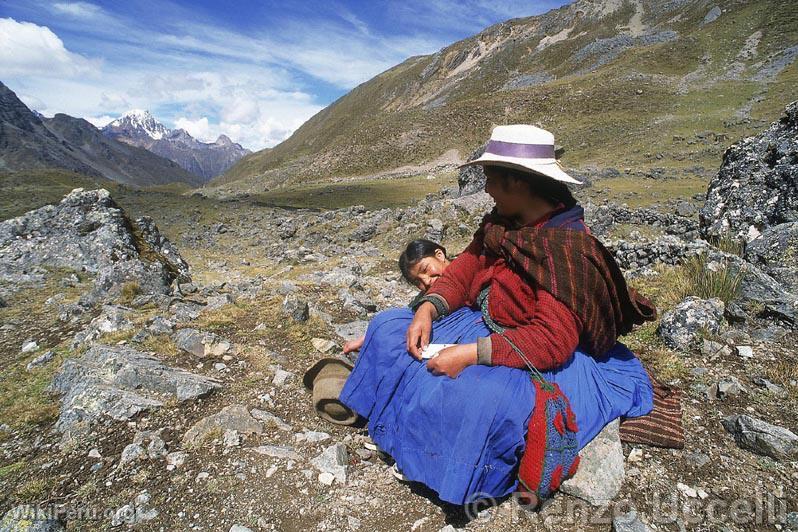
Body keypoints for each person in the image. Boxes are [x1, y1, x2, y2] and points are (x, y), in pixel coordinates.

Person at [339, 125, 655, 507]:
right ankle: (388, 415)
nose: (486, 188)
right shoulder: (501, 224)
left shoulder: (568, 251)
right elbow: (464, 271)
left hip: (526, 346)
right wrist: (426, 308)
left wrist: (471, 354)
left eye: (491, 179)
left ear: (518, 183)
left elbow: (550, 341)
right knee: (388, 327)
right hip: (480, 322)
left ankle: (435, 460)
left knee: (479, 395)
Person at [342, 239, 450, 354]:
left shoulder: (469, 271)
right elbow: (407, 314)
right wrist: (367, 338)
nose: (426, 281)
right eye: (417, 282)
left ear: (439, 255)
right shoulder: (429, 293)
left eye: (425, 269)